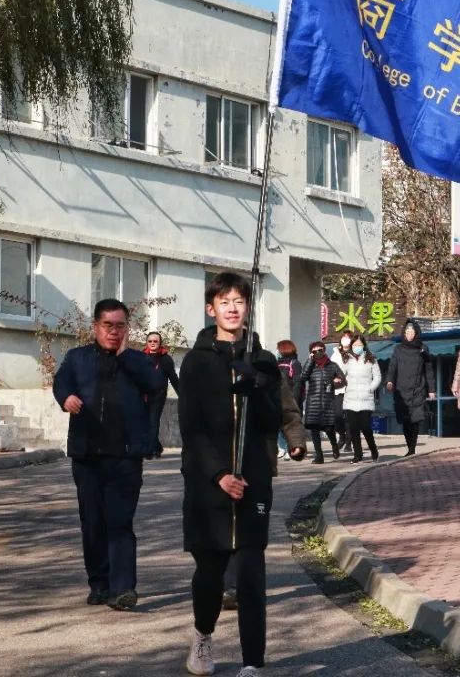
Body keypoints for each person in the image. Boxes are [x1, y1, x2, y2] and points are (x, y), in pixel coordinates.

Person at [178, 272, 285, 677]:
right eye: (225, 302)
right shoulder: (196, 361)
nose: (233, 308)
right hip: (209, 485)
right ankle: (202, 635)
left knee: (252, 574)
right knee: (210, 572)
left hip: (254, 479)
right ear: (212, 309)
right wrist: (220, 474)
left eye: (239, 301)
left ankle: (252, 663)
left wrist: (257, 385)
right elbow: (191, 429)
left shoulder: (262, 358)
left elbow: (272, 421)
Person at [52, 298, 165, 611]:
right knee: (93, 522)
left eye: (120, 326)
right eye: (108, 325)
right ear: (95, 327)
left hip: (125, 457)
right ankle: (99, 584)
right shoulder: (78, 358)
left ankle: (123, 588)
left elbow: (155, 385)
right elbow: (61, 382)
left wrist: (125, 357)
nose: (114, 332)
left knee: (120, 522)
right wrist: (66, 397)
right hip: (87, 456)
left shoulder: (137, 360)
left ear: (127, 329)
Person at [222, 373, 309, 613]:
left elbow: (288, 411)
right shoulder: (211, 364)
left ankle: (243, 587)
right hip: (222, 465)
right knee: (225, 525)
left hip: (259, 462)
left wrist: (296, 442)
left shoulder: (268, 370)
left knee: (252, 528)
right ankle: (229, 585)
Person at [385, 319, 435, 455]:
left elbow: (429, 370)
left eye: (412, 331)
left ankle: (412, 449)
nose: (409, 333)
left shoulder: (423, 349)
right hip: (401, 390)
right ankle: (409, 446)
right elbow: (392, 367)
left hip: (418, 389)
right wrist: (389, 381)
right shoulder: (398, 349)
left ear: (416, 332)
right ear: (404, 333)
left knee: (415, 419)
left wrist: (432, 389)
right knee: (406, 420)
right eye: (407, 331)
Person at [300, 341, 345, 464]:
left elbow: (343, 381)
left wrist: (335, 383)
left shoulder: (333, 365)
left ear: (324, 350)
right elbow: (303, 377)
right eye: (314, 351)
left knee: (329, 429)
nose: (317, 353)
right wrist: (309, 361)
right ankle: (319, 456)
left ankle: (334, 446)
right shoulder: (310, 365)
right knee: (314, 430)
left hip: (327, 402)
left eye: (320, 350)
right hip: (313, 403)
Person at [341, 333, 382, 463]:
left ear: (364, 345)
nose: (357, 347)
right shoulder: (347, 359)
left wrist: (370, 388)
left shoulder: (371, 359)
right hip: (350, 398)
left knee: (365, 426)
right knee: (353, 427)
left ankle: (373, 450)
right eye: (354, 345)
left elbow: (377, 377)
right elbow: (340, 374)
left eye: (359, 344)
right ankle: (357, 455)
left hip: (365, 398)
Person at [144, 331, 180, 457]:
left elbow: (173, 378)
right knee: (144, 422)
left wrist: (181, 394)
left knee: (153, 421)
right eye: (150, 341)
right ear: (146, 342)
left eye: (155, 341)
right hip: (142, 395)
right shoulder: (141, 357)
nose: (152, 343)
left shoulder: (166, 359)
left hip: (158, 395)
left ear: (160, 343)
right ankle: (157, 447)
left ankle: (150, 451)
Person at [274, 340, 304, 460]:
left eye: (278, 349)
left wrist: (294, 401)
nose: (277, 351)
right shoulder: (277, 364)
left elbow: (297, 384)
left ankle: (290, 449)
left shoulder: (295, 363)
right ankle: (282, 447)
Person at [330, 332, 353, 453]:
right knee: (337, 415)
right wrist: (333, 378)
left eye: (348, 338)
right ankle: (342, 435)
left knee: (349, 416)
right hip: (338, 389)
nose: (346, 340)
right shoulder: (335, 354)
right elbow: (330, 370)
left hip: (352, 389)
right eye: (344, 337)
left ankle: (349, 442)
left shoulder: (355, 354)